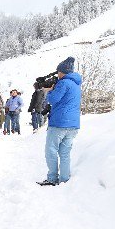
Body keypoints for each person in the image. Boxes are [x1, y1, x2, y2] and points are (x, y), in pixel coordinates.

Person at [39, 57, 82, 186]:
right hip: (73, 125)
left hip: (59, 123)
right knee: (65, 153)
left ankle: (52, 178)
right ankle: (64, 180)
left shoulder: (63, 83)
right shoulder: (76, 84)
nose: (57, 74)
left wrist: (49, 91)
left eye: (58, 71)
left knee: (50, 150)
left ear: (63, 71)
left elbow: (53, 99)